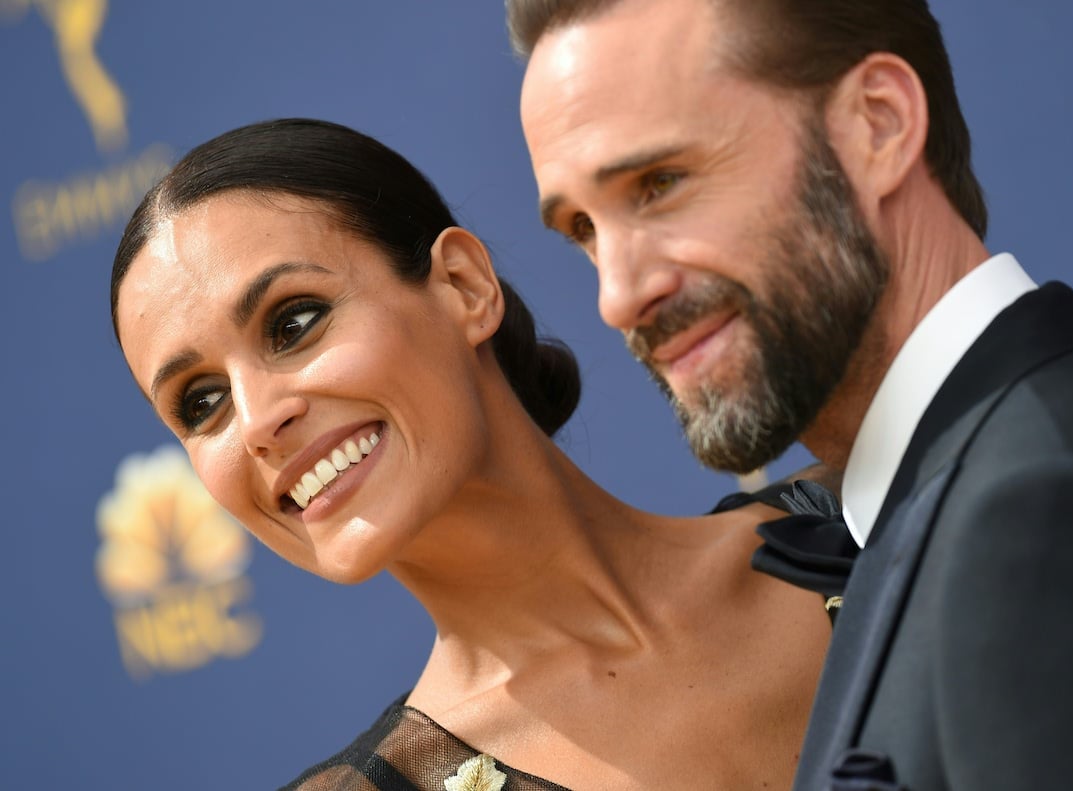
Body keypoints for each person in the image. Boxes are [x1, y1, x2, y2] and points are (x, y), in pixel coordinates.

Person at [509, 0, 1073, 789]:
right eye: (584, 230)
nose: (617, 296)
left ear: (878, 126)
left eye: (660, 182)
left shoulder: (1055, 512)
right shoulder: (965, 495)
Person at [110, 118, 835, 791]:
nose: (260, 419)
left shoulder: (871, 524)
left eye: (294, 321)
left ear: (464, 285)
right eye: (202, 402)